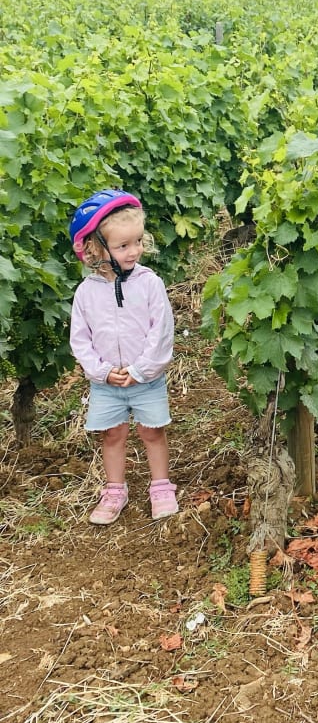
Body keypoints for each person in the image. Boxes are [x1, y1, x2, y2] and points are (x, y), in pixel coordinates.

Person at [69, 189, 178, 524]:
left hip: (145, 379)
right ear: (96, 249)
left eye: (138, 242)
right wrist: (101, 372)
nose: (135, 251)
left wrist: (141, 369)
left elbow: (160, 331)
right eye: (123, 246)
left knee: (152, 432)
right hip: (107, 383)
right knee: (112, 434)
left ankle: (161, 487)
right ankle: (115, 489)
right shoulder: (86, 293)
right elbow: (80, 339)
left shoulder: (150, 284)